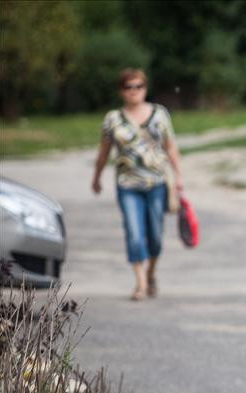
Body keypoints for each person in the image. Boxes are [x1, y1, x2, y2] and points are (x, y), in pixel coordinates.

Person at [91, 68, 184, 300]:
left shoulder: (160, 114)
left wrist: (179, 175)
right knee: (134, 233)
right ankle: (141, 283)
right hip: (127, 184)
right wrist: (97, 177)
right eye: (128, 87)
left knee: (155, 236)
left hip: (157, 183)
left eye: (138, 86)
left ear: (145, 88)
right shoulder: (112, 119)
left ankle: (151, 272)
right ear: (121, 91)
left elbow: (170, 146)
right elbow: (103, 152)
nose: (133, 91)